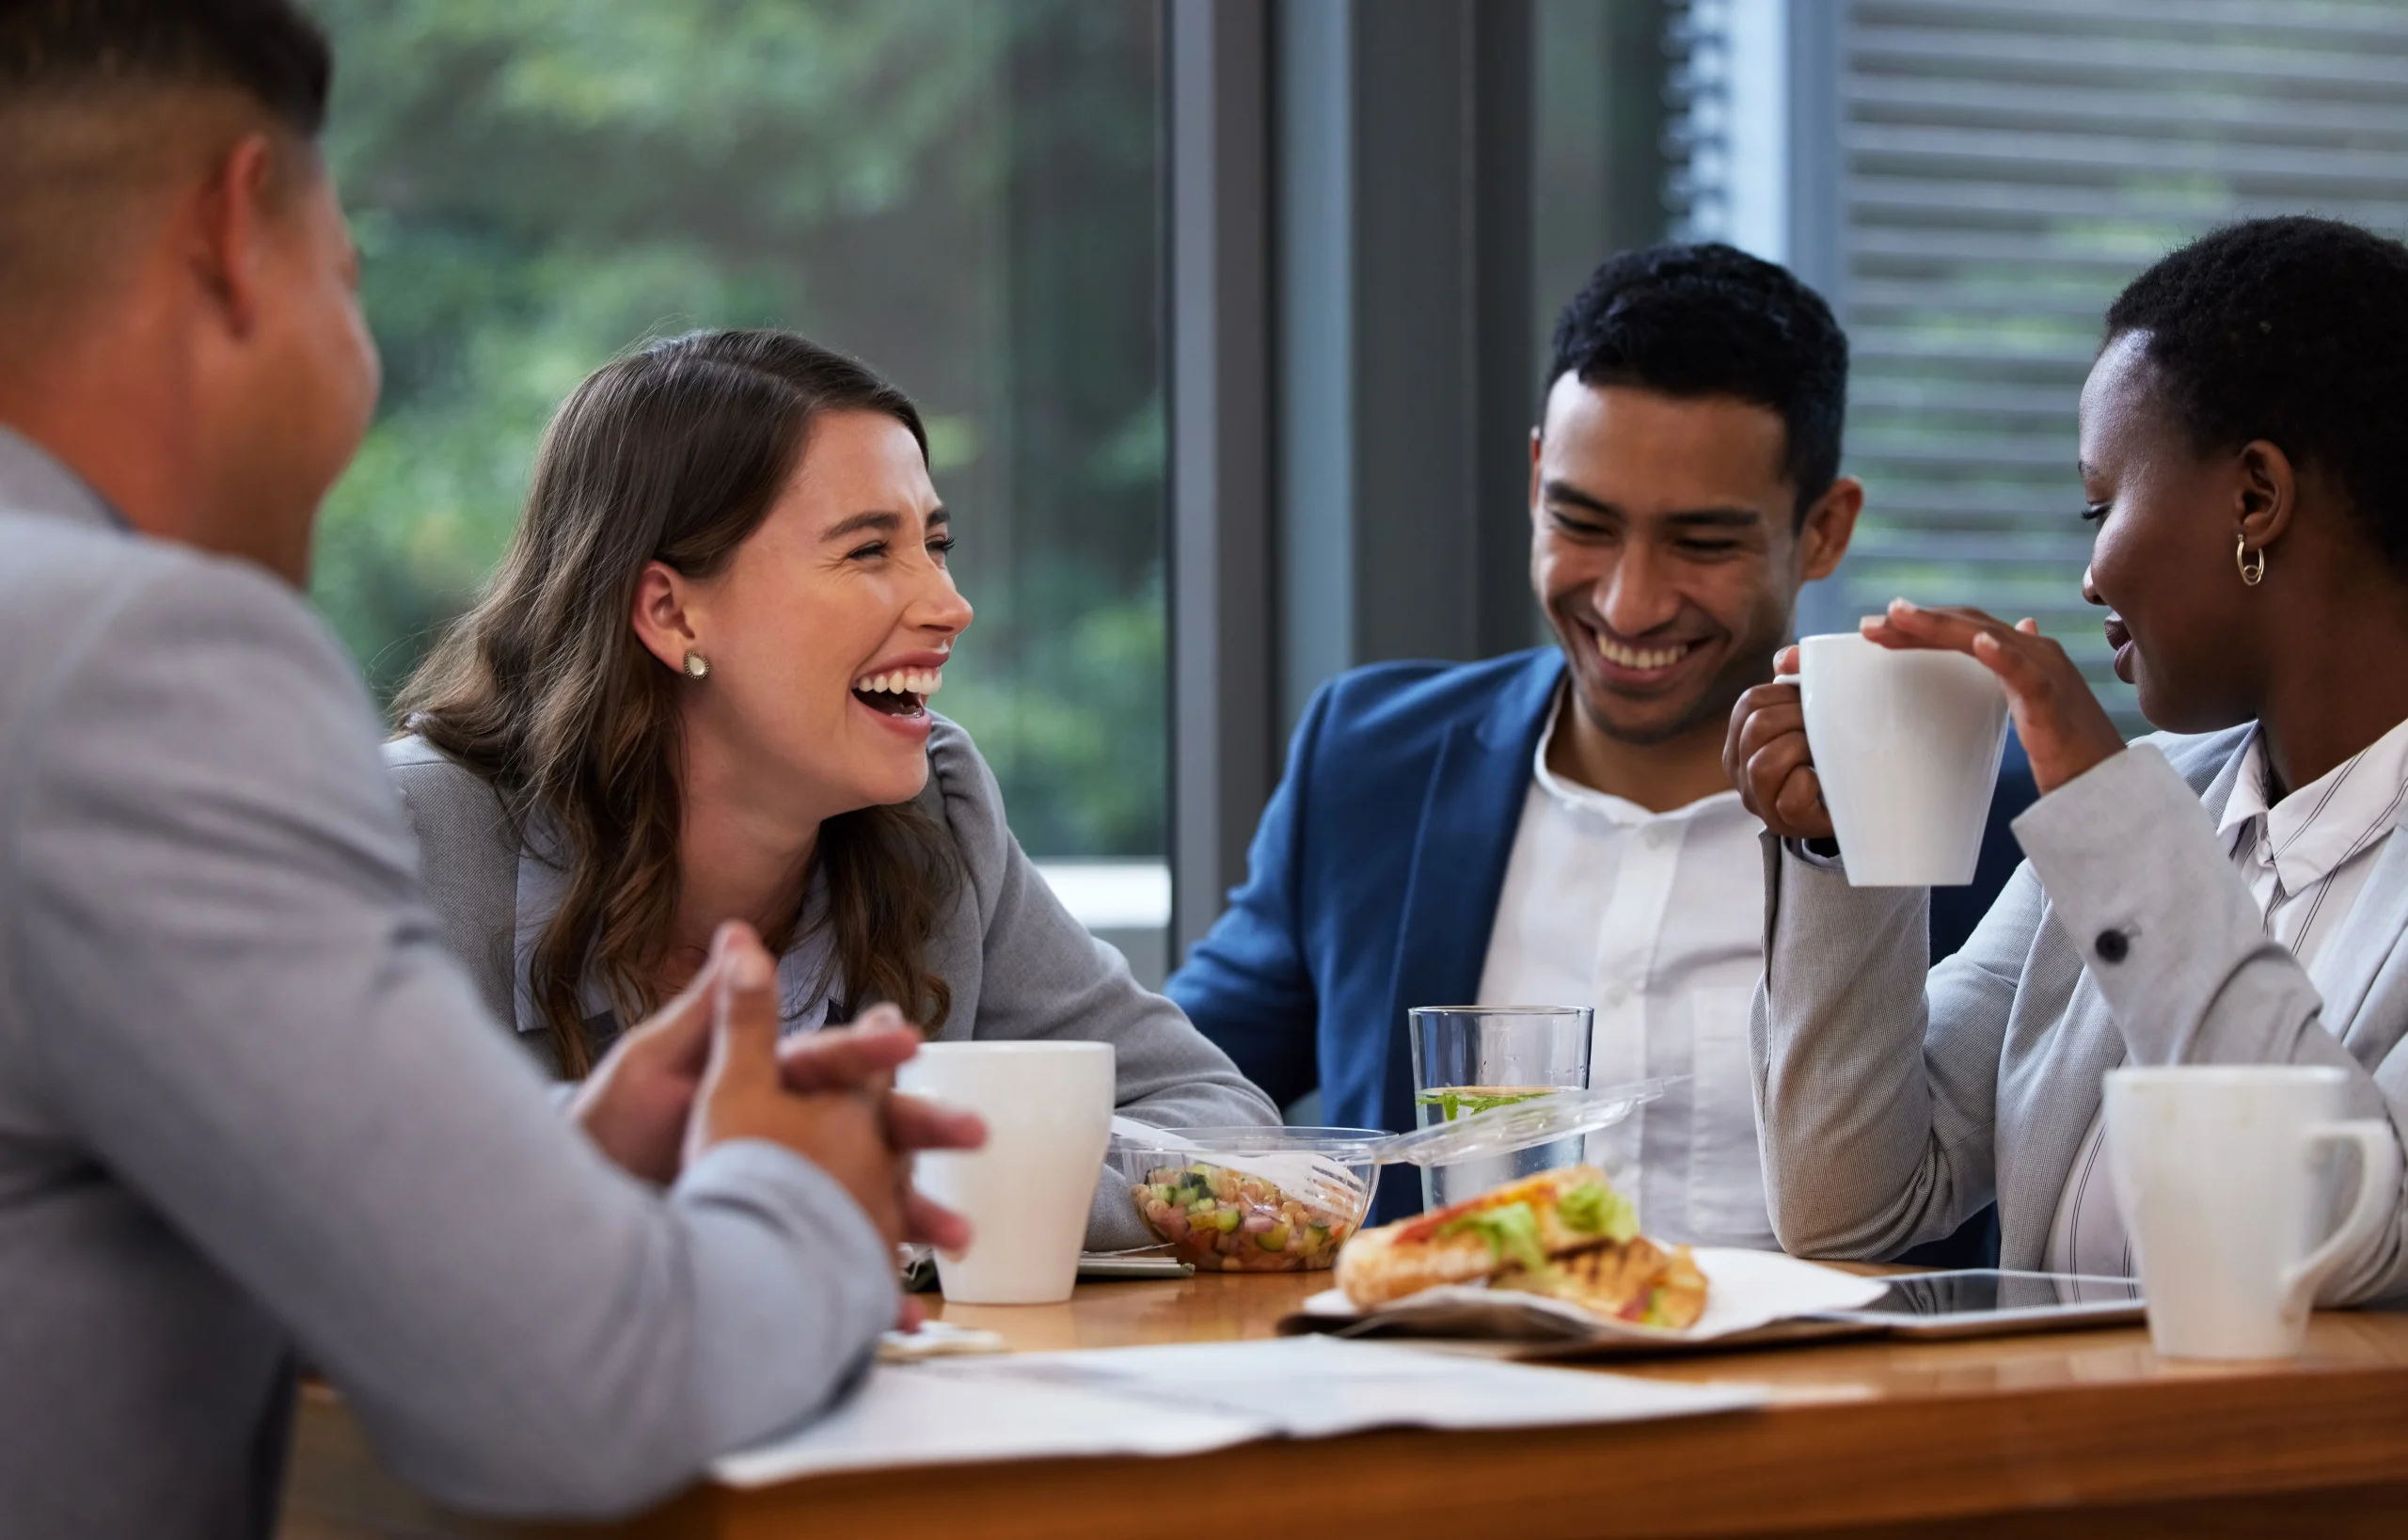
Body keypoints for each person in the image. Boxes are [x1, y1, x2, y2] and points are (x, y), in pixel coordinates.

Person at [0, 4, 983, 1533]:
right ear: (230, 233)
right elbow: (587, 1395)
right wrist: (800, 1190)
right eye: (351, 281)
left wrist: (534, 1185)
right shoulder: (128, 666)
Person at [1167, 243, 2036, 1237]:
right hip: (1439, 1385)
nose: (1629, 600)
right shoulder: (1370, 759)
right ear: (1537, 473)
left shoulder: (1996, 821)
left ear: (1825, 530)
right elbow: (1178, 1094)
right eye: (1581, 520)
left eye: (1702, 543)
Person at [382, 327, 1278, 1249]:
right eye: (867, 552)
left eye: (936, 543)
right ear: (669, 610)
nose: (950, 604)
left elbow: (1221, 1123)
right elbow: (340, 1218)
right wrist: (807, 1185)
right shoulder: (399, 835)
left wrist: (922, 1179)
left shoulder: (939, 809)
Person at [1727, 214, 2408, 1298]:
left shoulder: (2117, 825)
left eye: (2101, 504)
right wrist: (1839, 842)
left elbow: (2337, 1238)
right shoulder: (2147, 811)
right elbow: (1848, 1201)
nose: (2088, 576)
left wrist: (2104, 811)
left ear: (2254, 498)